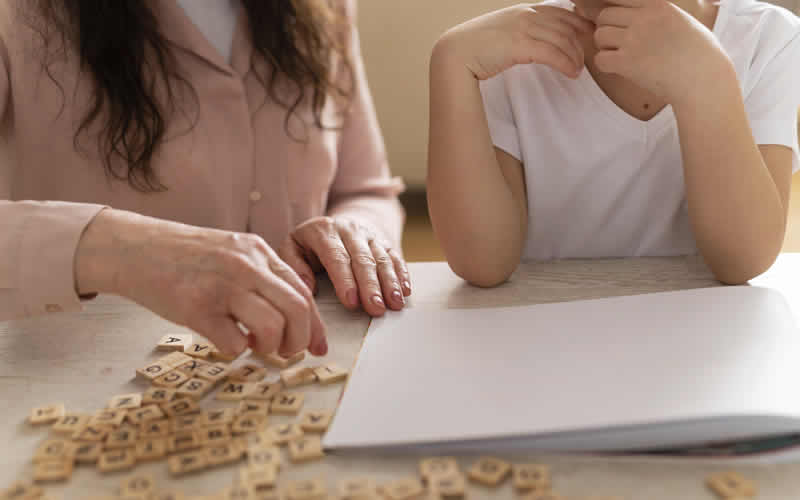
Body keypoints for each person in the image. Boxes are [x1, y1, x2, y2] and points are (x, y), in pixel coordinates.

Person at [0, 0, 411, 358]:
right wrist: (123, 251)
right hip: (72, 388)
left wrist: (354, 235)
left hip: (300, 380)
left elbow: (364, 190)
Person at [427, 0, 800, 287]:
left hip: (699, 349)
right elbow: (483, 262)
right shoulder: (516, 50)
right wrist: (452, 62)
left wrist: (707, 82)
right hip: (548, 345)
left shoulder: (767, 39)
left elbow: (744, 259)